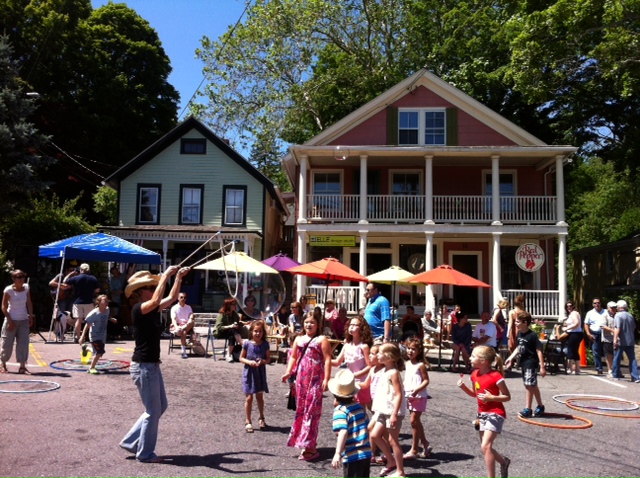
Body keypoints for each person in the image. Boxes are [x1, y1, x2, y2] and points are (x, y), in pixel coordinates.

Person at [119, 265, 190, 463]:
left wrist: (178, 278)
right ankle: (145, 453)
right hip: (144, 366)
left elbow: (172, 297)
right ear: (139, 292)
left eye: (153, 286)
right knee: (152, 410)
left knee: (161, 406)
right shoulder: (138, 308)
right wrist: (165, 275)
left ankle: (130, 441)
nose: (153, 288)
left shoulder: (152, 308)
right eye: (150, 287)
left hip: (151, 366)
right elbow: (158, 300)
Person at [281, 311, 332, 461]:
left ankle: (309, 446)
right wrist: (288, 372)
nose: (309, 325)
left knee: (312, 412)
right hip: (301, 380)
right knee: (302, 410)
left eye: (312, 322)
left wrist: (327, 379)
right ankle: (307, 444)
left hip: (316, 379)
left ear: (318, 324)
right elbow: (294, 357)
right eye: (307, 322)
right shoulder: (299, 339)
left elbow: (327, 359)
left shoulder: (322, 339)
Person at [457, 345, 511, 478]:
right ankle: (504, 462)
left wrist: (492, 397)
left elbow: (507, 396)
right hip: (482, 413)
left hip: (496, 413)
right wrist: (463, 387)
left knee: (486, 446)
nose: (470, 358)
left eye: (473, 356)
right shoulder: (474, 374)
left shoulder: (495, 376)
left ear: (484, 361)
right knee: (485, 447)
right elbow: (474, 394)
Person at [370, 342, 406, 478]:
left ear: (389, 357)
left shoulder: (393, 373)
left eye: (380, 353)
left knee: (393, 440)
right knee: (374, 435)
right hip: (383, 410)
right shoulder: (385, 370)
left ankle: (400, 471)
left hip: (391, 412)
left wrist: (394, 414)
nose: (377, 355)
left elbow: (399, 394)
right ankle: (391, 461)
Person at [329, 369, 372, 478]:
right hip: (366, 452)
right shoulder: (359, 407)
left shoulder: (340, 411)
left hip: (352, 454)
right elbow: (367, 426)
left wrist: (337, 453)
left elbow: (343, 431)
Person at [505, 311, 546, 418]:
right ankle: (540, 406)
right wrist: (510, 358)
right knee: (532, 385)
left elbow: (539, 351)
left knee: (529, 385)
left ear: (525, 323)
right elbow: (519, 348)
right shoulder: (520, 334)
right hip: (523, 363)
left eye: (518, 322)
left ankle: (528, 409)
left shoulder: (532, 335)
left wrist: (542, 367)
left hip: (531, 363)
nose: (515, 324)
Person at [332, 316, 373, 407]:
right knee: (337, 403)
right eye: (350, 324)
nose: (352, 327)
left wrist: (355, 375)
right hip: (349, 381)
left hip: (361, 381)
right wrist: (324, 359)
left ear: (362, 328)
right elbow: (337, 362)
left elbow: (370, 366)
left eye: (355, 325)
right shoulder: (347, 345)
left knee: (361, 407)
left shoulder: (364, 346)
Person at [402, 337, 432, 460]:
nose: (410, 351)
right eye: (408, 348)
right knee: (416, 422)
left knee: (413, 420)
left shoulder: (421, 365)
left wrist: (417, 390)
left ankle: (414, 449)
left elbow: (426, 381)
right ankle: (425, 443)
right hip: (409, 395)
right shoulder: (407, 363)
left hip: (419, 396)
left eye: (413, 349)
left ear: (419, 351)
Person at [239, 319, 271, 432]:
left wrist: (263, 361)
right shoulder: (247, 344)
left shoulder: (265, 344)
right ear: (251, 332)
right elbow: (241, 358)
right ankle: (248, 421)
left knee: (259, 397)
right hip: (249, 373)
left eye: (260, 331)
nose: (258, 333)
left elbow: (268, 359)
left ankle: (261, 418)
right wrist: (249, 362)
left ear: (263, 332)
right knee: (249, 398)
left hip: (260, 373)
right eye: (256, 331)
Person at [1, 270, 34, 374]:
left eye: (23, 277)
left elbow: (29, 302)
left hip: (23, 319)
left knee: (23, 344)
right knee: (7, 344)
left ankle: (22, 367)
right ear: (13, 279)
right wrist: (10, 320)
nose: (21, 279)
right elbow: (3, 307)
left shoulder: (26, 288)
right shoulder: (8, 290)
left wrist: (30, 315)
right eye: (18, 277)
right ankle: (3, 364)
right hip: (11, 319)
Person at [79, 294, 117, 374]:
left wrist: (111, 319)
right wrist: (82, 336)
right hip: (94, 336)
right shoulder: (94, 313)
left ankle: (86, 348)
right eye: (104, 300)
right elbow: (87, 325)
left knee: (100, 353)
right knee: (99, 352)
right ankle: (91, 368)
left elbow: (106, 316)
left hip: (102, 335)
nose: (106, 302)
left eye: (107, 300)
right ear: (98, 302)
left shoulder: (107, 309)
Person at [64, 263, 100, 343]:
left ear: (81, 269)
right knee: (90, 320)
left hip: (78, 301)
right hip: (89, 301)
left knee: (78, 320)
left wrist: (71, 273)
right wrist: (91, 291)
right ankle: (91, 336)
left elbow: (65, 281)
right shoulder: (92, 278)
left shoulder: (76, 278)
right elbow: (97, 290)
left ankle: (78, 337)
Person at [612, 300, 639, 382]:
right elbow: (634, 327)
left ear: (619, 307)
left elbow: (617, 328)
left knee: (617, 358)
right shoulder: (630, 315)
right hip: (630, 340)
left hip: (621, 341)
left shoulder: (618, 315)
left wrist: (615, 339)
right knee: (632, 359)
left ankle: (616, 375)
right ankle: (635, 376)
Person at [49, 265, 76, 342]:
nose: (72, 272)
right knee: (59, 316)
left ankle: (63, 332)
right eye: (70, 270)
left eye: (73, 270)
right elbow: (51, 283)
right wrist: (61, 285)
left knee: (71, 316)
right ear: (66, 270)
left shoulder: (74, 277)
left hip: (71, 299)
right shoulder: (61, 275)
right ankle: (57, 334)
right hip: (61, 299)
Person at [214, 298, 243, 363]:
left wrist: (239, 325)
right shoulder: (222, 314)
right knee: (232, 330)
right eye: (233, 304)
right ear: (228, 305)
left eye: (235, 304)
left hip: (231, 332)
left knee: (232, 336)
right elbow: (219, 327)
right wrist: (230, 326)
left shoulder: (234, 314)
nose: (235, 306)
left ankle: (228, 355)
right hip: (220, 332)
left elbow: (238, 323)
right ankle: (243, 344)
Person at [583, 297, 606, 375]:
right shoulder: (590, 313)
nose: (597, 304)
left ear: (601, 303)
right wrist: (588, 333)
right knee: (596, 351)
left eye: (598, 303)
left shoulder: (606, 312)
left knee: (607, 352)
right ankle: (599, 368)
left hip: (605, 334)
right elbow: (586, 324)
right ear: (593, 304)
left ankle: (611, 368)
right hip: (594, 333)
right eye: (595, 303)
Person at [170, 292, 195, 359]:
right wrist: (176, 327)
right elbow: (173, 319)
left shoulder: (188, 307)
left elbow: (191, 315)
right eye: (181, 297)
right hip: (178, 326)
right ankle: (183, 351)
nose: (183, 299)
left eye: (184, 297)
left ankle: (183, 351)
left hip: (187, 325)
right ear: (178, 298)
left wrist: (190, 318)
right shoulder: (174, 308)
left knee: (192, 321)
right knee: (184, 332)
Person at [562, 301, 583, 375]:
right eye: (567, 306)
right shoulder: (571, 314)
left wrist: (567, 328)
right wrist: (566, 324)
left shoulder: (574, 313)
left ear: (573, 306)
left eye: (570, 306)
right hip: (576, 333)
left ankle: (570, 368)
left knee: (570, 350)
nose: (569, 307)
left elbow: (576, 323)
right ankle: (577, 369)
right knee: (574, 351)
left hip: (575, 334)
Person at [600, 301, 617, 378]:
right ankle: (610, 370)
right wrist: (613, 331)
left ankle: (616, 370)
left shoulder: (617, 315)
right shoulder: (604, 316)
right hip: (607, 338)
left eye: (614, 307)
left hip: (617, 338)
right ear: (608, 308)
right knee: (609, 355)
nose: (613, 309)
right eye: (612, 308)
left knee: (616, 355)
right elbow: (603, 326)